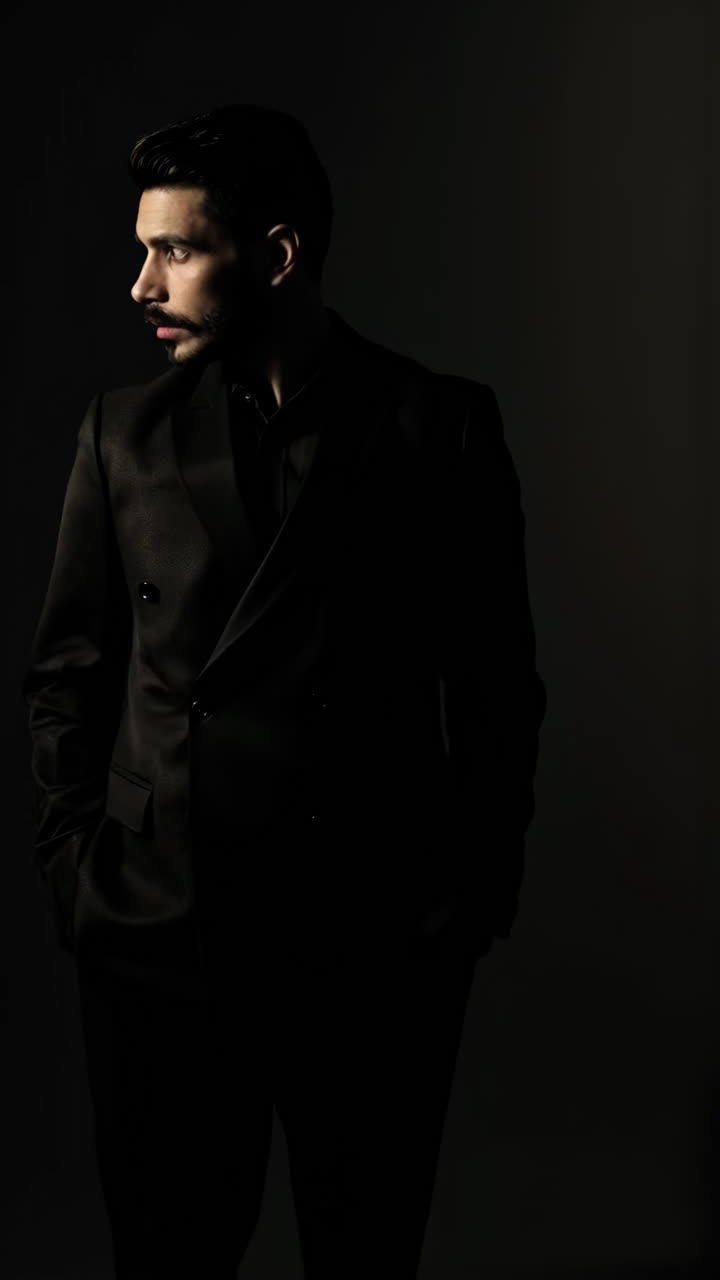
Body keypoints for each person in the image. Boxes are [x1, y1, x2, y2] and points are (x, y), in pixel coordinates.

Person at [21, 103, 547, 1280]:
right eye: (144, 246)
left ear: (277, 253)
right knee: (168, 1258)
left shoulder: (434, 427)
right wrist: (78, 874)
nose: (140, 283)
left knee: (364, 1257)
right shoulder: (119, 434)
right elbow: (67, 675)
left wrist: (464, 901)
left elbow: (499, 687)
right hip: (160, 935)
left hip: (369, 946)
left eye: (178, 249)